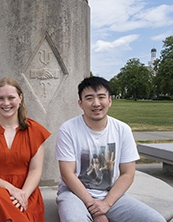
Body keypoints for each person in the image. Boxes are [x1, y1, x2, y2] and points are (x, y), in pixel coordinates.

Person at [55, 76, 165, 222]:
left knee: (155, 220)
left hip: (110, 194)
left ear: (110, 100)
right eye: (89, 98)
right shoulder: (68, 129)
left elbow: (128, 173)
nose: (96, 103)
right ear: (80, 103)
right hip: (74, 194)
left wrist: (106, 204)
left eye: (101, 97)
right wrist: (96, 211)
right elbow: (67, 174)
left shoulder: (122, 129)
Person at [0, 77, 51, 222]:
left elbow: (35, 170)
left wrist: (23, 194)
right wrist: (11, 189)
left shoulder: (35, 131)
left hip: (26, 192)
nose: (6, 103)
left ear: (20, 98)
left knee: (14, 211)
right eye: (0, 98)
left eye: (11, 98)